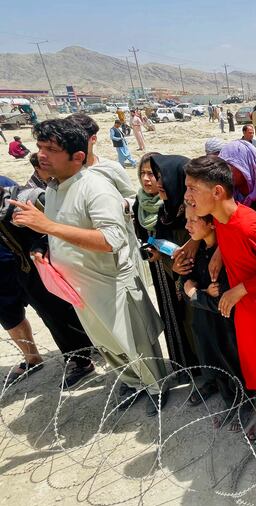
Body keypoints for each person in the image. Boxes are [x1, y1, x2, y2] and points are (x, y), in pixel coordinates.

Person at [12, 119, 168, 416]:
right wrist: (44, 246)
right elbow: (64, 231)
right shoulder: (56, 188)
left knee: (134, 343)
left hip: (109, 284)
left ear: (78, 156)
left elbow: (112, 239)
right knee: (108, 344)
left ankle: (158, 388)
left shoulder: (95, 188)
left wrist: (49, 226)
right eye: (40, 147)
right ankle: (134, 383)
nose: (42, 155)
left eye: (51, 149)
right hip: (80, 288)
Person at [184, 155, 256, 445]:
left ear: (217, 192)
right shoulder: (221, 221)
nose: (188, 196)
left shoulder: (250, 226)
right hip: (246, 314)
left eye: (192, 189)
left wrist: (240, 289)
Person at [0, 173, 96, 387]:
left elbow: (52, 226)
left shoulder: (21, 197)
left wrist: (39, 246)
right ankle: (77, 358)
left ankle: (85, 357)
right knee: (50, 316)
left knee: (65, 311)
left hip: (44, 265)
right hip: (24, 270)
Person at [135, 154, 200, 375]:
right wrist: (160, 256)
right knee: (177, 319)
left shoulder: (193, 211)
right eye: (143, 174)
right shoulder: (166, 209)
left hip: (195, 280)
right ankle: (188, 366)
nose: (152, 180)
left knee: (196, 324)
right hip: (168, 274)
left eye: (156, 174)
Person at [181, 205, 244, 424]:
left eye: (193, 220)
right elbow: (185, 281)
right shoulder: (197, 251)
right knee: (210, 359)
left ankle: (238, 405)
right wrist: (196, 292)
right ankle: (221, 391)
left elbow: (221, 299)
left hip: (223, 324)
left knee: (229, 361)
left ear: (211, 223)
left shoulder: (224, 255)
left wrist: (195, 294)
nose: (187, 225)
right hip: (203, 322)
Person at [68, 113, 136, 199]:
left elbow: (132, 199)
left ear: (93, 139)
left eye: (77, 139)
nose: (72, 144)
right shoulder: (61, 173)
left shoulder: (112, 169)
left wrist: (121, 205)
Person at [218, 139, 256, 217]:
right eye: (223, 166)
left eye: (230, 166)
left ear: (248, 165)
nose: (225, 171)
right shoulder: (230, 195)